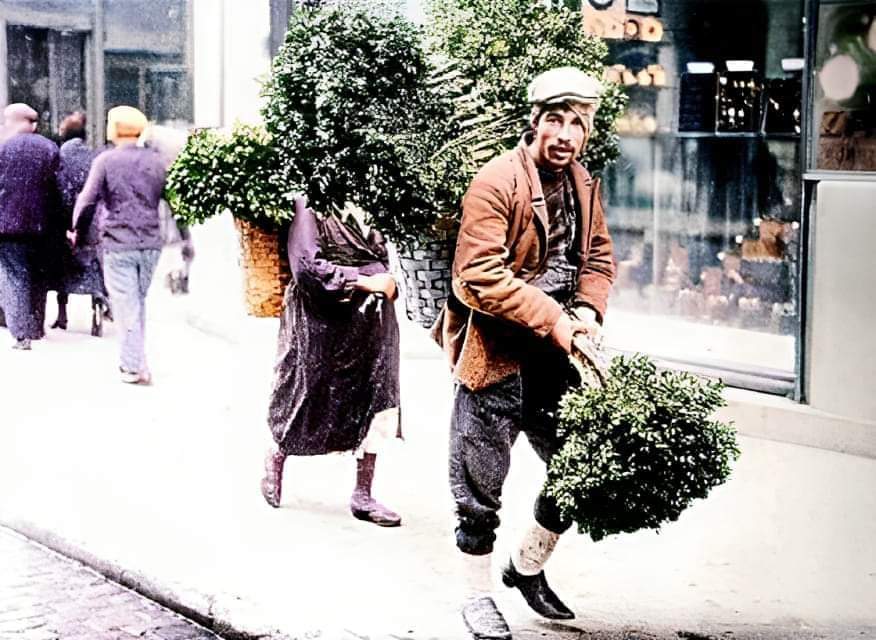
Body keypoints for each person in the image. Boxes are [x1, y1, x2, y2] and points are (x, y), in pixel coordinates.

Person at [431, 67, 616, 639]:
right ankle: (476, 595)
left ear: (587, 130)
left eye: (577, 123)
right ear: (534, 123)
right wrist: (558, 319)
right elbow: (479, 275)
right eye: (555, 120)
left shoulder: (584, 183)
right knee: (478, 485)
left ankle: (528, 565)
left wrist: (586, 308)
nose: (565, 133)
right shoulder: (497, 181)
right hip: (495, 352)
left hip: (556, 353)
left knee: (582, 465)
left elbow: (600, 258)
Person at [261, 195, 403, 527]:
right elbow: (307, 266)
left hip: (370, 317)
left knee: (376, 396)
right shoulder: (310, 204)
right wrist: (364, 280)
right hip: (320, 319)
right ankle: (278, 453)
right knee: (307, 392)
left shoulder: (370, 202)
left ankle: (363, 493)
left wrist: (386, 280)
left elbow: (380, 253)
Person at [72, 106, 165, 384]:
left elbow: (86, 200)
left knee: (126, 305)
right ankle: (139, 360)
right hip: (150, 243)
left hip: (117, 241)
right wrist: (185, 240)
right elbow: (173, 202)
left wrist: (76, 229)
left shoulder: (106, 161)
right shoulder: (157, 162)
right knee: (136, 302)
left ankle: (132, 366)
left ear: (113, 128)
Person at [0, 103, 60, 350]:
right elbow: (58, 189)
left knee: (13, 276)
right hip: (41, 224)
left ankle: (20, 333)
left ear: (16, 121)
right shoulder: (49, 148)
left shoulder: (3, 148)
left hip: (7, 224)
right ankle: (36, 325)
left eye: (6, 121)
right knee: (37, 276)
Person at [52, 111, 111, 335]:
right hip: (93, 219)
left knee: (63, 266)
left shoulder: (58, 156)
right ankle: (97, 307)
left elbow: (59, 190)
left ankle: (62, 314)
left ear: (63, 135)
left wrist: (67, 223)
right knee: (92, 265)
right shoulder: (94, 156)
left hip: (65, 218)